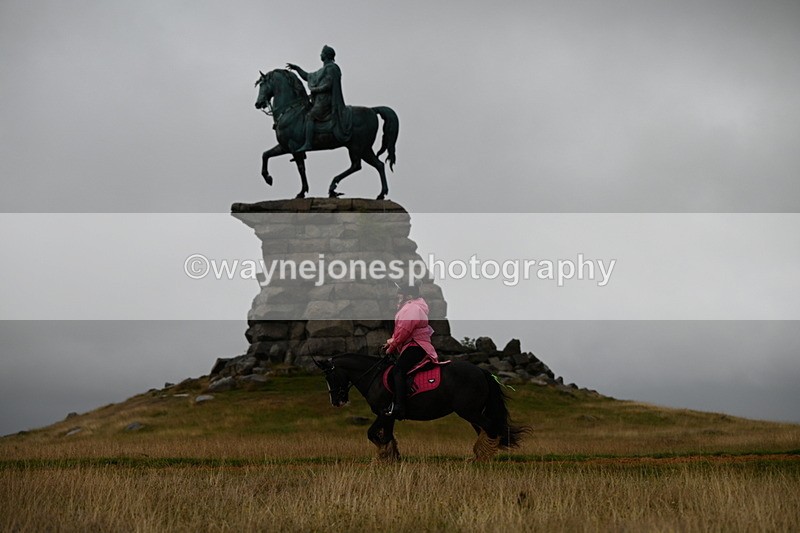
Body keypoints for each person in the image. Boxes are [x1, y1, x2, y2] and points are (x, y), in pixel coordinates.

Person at [382, 281, 439, 420]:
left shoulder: (411, 308)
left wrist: (392, 347)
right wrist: (391, 342)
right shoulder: (414, 306)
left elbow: (404, 331)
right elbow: (402, 331)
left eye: (400, 293)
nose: (398, 296)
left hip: (415, 345)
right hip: (414, 343)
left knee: (398, 370)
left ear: (408, 295)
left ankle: (400, 407)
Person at [286, 45, 353, 152]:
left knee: (310, 116)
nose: (320, 54)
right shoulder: (322, 70)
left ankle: (308, 143)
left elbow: (329, 84)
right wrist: (297, 68)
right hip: (319, 100)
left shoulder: (332, 68)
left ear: (326, 55)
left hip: (326, 101)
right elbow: (307, 76)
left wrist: (316, 90)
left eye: (322, 53)